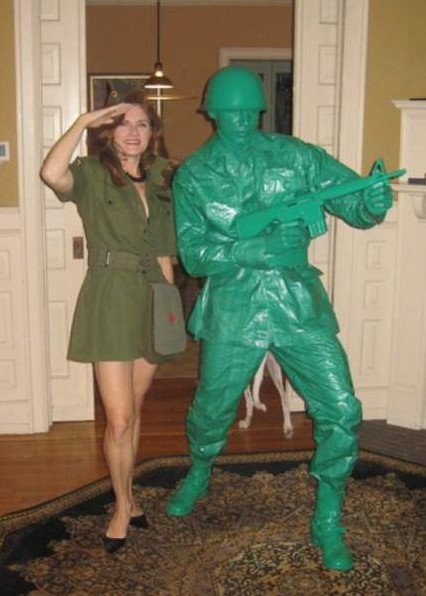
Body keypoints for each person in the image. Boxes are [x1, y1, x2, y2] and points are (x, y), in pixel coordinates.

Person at [166, 66, 393, 572]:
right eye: (232, 111)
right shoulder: (194, 175)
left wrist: (374, 201)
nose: (243, 119)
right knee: (212, 409)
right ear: (212, 113)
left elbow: (353, 201)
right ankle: (200, 467)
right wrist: (251, 249)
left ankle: (327, 516)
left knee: (341, 408)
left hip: (298, 304)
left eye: (251, 110)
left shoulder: (297, 156)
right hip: (233, 307)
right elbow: (194, 255)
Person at [40, 90, 177, 553]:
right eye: (122, 123)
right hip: (110, 295)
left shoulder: (162, 177)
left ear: (153, 132)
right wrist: (82, 120)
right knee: (118, 419)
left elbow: (164, 249)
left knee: (134, 408)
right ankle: (122, 505)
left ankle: (129, 493)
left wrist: (171, 308)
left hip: (153, 294)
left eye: (142, 124)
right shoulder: (92, 174)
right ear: (108, 132)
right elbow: (50, 173)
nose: (132, 132)